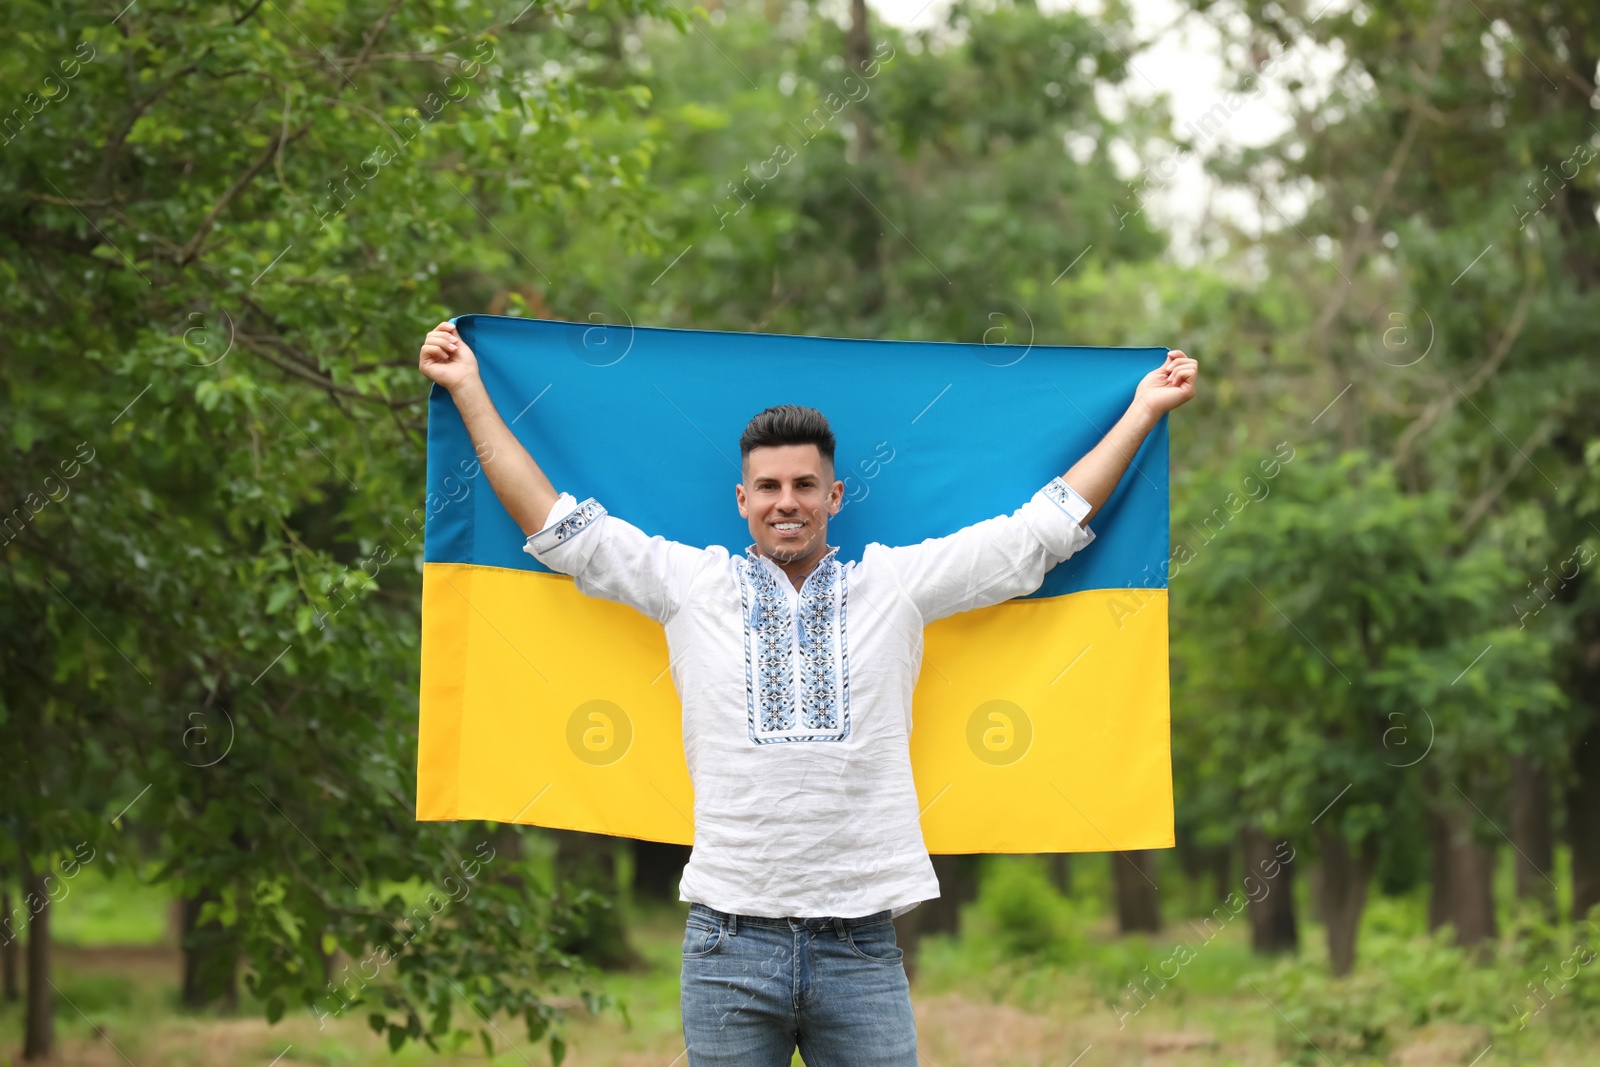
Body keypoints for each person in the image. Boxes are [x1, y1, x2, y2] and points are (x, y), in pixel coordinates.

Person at [418, 320, 1197, 1066]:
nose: (785, 500)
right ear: (741, 499)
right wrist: (469, 389)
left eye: (803, 485)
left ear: (835, 496)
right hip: (726, 943)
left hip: (861, 944)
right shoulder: (689, 584)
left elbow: (1035, 537)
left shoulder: (895, 584)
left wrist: (1142, 409)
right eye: (768, 486)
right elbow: (559, 529)